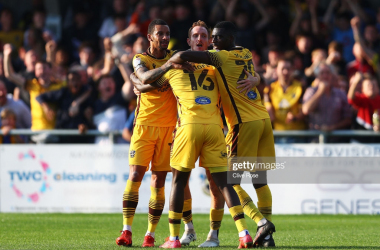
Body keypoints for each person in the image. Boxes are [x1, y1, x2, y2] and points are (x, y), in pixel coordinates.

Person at [133, 20, 259, 248]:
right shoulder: (217, 65)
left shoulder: (179, 67)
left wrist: (136, 77)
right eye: (196, 36)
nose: (199, 39)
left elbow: (145, 84)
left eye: (204, 36)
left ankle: (175, 238)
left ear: (209, 42)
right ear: (190, 41)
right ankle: (243, 233)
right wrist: (256, 78)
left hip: (189, 128)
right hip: (214, 129)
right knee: (224, 183)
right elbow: (244, 70)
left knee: (180, 181)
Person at [166, 21, 276, 248]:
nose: (213, 42)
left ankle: (261, 222)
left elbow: (183, 56)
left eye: (216, 37)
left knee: (230, 183)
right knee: (260, 182)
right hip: (263, 120)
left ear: (230, 38)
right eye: (211, 38)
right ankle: (266, 237)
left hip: (242, 123)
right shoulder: (245, 52)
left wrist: (170, 61)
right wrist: (257, 79)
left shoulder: (219, 58)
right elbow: (257, 77)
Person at [115, 19, 193, 248]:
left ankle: (150, 234)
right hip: (143, 126)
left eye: (167, 33)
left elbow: (143, 82)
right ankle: (126, 230)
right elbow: (144, 77)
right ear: (150, 36)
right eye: (160, 33)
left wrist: (137, 81)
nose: (165, 37)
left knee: (158, 181)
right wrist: (167, 67)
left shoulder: (177, 56)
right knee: (135, 176)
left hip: (169, 128)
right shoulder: (141, 58)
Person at [36, 71, 92, 143]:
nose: (75, 83)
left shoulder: (85, 94)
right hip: (62, 136)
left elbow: (90, 90)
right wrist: (47, 108)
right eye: (72, 80)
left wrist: (85, 126)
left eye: (77, 79)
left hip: (79, 138)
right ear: (68, 83)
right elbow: (39, 97)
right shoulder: (63, 93)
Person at [264, 58, 306, 136]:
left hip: (298, 135)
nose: (285, 72)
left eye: (288, 69)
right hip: (278, 135)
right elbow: (269, 113)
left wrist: (295, 118)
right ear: (276, 70)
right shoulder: (269, 89)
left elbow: (303, 112)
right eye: (283, 69)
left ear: (293, 70)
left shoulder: (300, 87)